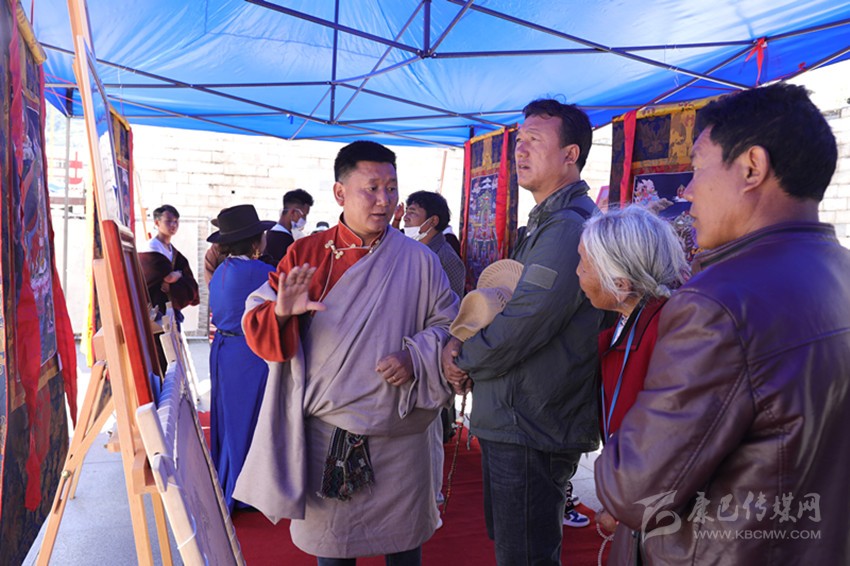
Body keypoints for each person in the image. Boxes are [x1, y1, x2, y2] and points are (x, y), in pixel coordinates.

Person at [595, 83, 850, 565]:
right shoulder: (841, 272)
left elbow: (634, 489)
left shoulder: (717, 302)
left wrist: (614, 456)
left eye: (696, 167)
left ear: (752, 167)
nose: (688, 192)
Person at [233, 141, 458, 565]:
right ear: (340, 193)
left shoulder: (420, 260)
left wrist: (415, 358)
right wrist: (282, 313)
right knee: (333, 551)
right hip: (330, 435)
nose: (384, 200)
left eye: (391, 188)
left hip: (402, 436)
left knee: (405, 549)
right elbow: (258, 327)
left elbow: (450, 326)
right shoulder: (307, 254)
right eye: (371, 188)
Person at [442, 99, 605, 565]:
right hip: (519, 414)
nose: (520, 150)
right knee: (516, 547)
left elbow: (526, 320)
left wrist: (464, 360)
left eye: (535, 140)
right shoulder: (546, 222)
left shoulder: (567, 228)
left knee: (525, 555)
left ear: (571, 154)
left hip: (531, 420)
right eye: (519, 141)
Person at [575, 205, 688, 549]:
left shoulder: (667, 333)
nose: (577, 272)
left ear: (620, 284)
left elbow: (669, 441)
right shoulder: (631, 319)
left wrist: (627, 504)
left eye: (583, 263)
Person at [206, 204, 276, 512]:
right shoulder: (258, 272)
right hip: (248, 354)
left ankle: (231, 481)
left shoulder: (223, 269)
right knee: (249, 420)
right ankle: (245, 489)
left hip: (224, 351)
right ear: (254, 240)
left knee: (230, 420)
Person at [139, 204, 200, 370]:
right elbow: (166, 276)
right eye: (169, 221)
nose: (173, 225)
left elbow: (185, 278)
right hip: (155, 312)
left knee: (174, 356)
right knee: (160, 356)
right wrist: (174, 276)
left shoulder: (173, 251)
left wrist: (175, 277)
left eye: (176, 221)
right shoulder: (151, 248)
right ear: (157, 223)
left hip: (172, 310)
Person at [402, 190, 465, 298]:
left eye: (412, 212)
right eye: (406, 212)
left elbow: (451, 303)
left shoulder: (447, 258)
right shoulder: (410, 249)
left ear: (433, 221)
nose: (405, 218)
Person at [265, 188, 314, 264]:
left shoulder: (269, 234)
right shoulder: (282, 240)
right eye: (304, 215)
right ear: (293, 212)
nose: (305, 219)